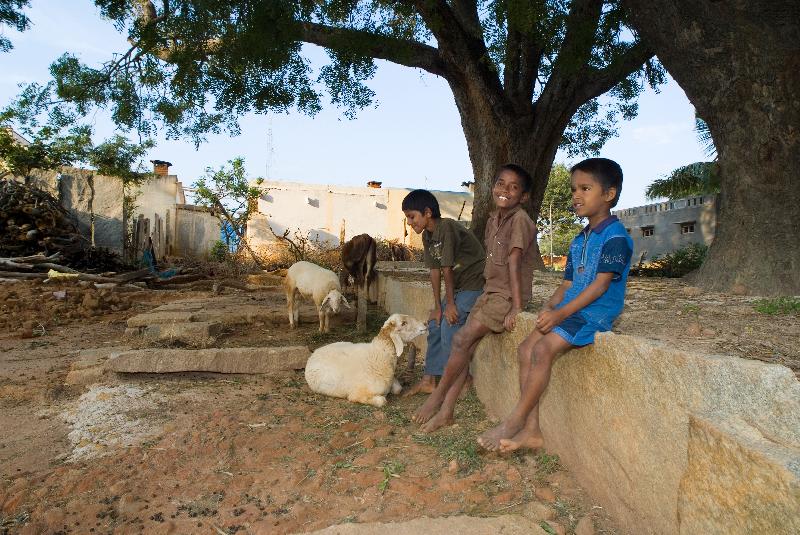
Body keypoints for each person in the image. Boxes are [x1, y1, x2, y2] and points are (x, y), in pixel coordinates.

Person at [478, 157, 633, 453]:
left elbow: (600, 286)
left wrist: (561, 313)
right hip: (572, 308)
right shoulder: (580, 239)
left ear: (609, 194)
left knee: (541, 349)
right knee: (526, 349)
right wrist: (550, 307)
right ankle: (532, 432)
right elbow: (567, 284)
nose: (576, 195)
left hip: (594, 312)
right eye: (574, 189)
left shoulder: (616, 238)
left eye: (585, 188)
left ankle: (515, 421)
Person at [412, 164, 537, 433]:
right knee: (463, 346)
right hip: (489, 290)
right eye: (501, 184)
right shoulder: (493, 220)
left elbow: (515, 263)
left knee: (460, 340)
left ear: (524, 196)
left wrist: (516, 306)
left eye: (514, 187)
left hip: (505, 295)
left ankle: (438, 398)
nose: (505, 190)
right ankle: (446, 411)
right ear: (492, 187)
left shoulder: (521, 221)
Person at [401, 189, 485, 397]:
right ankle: (430, 379)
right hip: (457, 286)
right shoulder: (428, 236)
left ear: (427, 212)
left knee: (450, 324)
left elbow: (447, 268)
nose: (410, 223)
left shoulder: (446, 227)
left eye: (412, 217)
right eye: (407, 218)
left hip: (474, 283)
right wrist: (438, 308)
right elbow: (434, 270)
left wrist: (451, 306)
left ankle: (464, 379)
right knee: (435, 323)